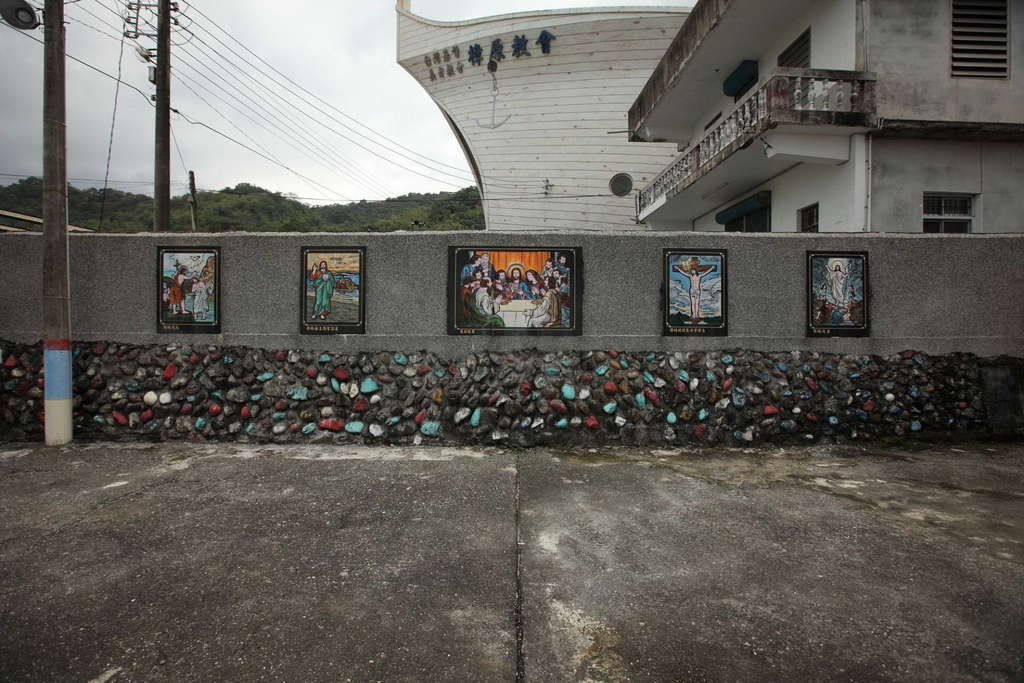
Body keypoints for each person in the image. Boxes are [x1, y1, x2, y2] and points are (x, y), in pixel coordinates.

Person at [672, 256, 716, 322]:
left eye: (693, 270)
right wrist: (678, 268)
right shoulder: (690, 276)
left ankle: (697, 315)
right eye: (691, 270)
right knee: (693, 303)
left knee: (697, 303)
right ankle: (693, 315)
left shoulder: (699, 276)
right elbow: (683, 273)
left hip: (697, 291)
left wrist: (711, 268)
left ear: (695, 271)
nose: (692, 271)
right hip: (692, 290)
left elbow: (706, 272)